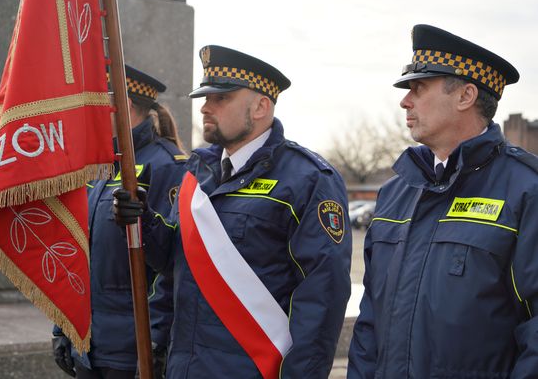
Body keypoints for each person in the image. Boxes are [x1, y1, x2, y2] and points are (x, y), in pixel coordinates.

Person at [114, 45, 352, 378]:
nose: (205, 108)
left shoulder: (307, 179)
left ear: (260, 107)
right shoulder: (197, 172)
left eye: (221, 98)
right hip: (187, 367)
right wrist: (144, 221)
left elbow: (322, 298)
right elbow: (176, 267)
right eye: (205, 98)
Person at [347, 24, 538, 378]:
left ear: (465, 96)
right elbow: (370, 321)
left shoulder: (526, 190)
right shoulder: (395, 193)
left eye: (418, 88)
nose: (405, 101)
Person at [52, 65, 188, 379]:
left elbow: (174, 266)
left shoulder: (168, 167)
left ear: (122, 105)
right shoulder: (100, 165)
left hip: (131, 353)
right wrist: (63, 326)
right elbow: (77, 253)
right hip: (87, 347)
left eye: (96, 100)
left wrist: (155, 342)